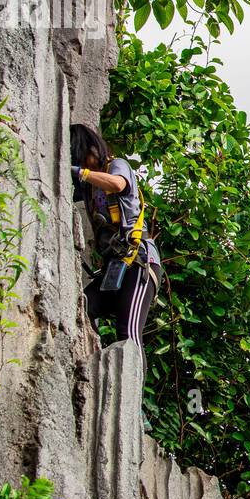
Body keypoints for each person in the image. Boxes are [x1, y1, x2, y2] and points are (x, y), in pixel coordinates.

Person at [70, 124, 161, 351]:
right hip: (115, 265)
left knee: (128, 333)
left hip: (139, 261)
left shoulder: (117, 166)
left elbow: (118, 184)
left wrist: (82, 173)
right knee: (83, 307)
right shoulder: (89, 189)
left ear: (92, 149)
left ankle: (130, 385)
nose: (81, 164)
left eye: (81, 157)